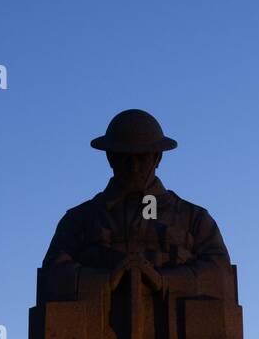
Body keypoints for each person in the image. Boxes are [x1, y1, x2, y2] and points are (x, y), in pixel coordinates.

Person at [40, 109, 234, 303]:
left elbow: (220, 275)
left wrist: (164, 281)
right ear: (110, 157)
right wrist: (104, 281)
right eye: (125, 157)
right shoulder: (78, 220)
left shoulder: (194, 219)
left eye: (142, 157)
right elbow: (53, 275)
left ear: (157, 157)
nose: (133, 167)